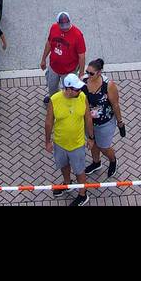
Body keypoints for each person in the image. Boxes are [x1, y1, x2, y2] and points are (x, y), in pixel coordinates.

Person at [45, 73, 94, 206]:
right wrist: (48, 141)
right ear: (67, 89)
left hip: (77, 144)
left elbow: (88, 118)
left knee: (80, 171)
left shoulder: (82, 97)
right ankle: (67, 183)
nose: (79, 91)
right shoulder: (54, 100)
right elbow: (49, 122)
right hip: (60, 143)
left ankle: (82, 195)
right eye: (76, 89)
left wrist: (90, 138)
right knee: (64, 165)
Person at [82, 59, 124, 178]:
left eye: (91, 73)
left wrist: (120, 123)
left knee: (103, 147)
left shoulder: (108, 85)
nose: (88, 75)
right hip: (89, 122)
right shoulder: (83, 81)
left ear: (99, 73)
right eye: (87, 72)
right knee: (93, 143)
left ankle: (113, 160)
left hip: (105, 123)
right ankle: (96, 163)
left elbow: (115, 104)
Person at [40, 11, 87, 101]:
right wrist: (43, 59)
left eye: (67, 25)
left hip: (69, 71)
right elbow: (49, 43)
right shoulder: (53, 28)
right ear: (58, 23)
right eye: (62, 26)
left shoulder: (77, 35)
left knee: (69, 92)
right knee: (52, 87)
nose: (65, 28)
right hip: (53, 67)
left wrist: (81, 74)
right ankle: (53, 101)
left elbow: (82, 56)